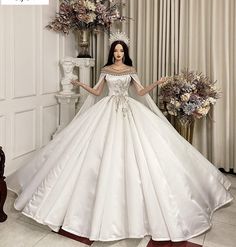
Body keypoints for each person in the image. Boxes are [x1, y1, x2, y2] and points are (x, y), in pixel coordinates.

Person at [6, 31, 233, 243]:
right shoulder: (106, 69)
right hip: (106, 110)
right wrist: (80, 84)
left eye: (121, 51)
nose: (118, 54)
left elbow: (141, 92)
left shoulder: (130, 70)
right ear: (112, 52)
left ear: (125, 52)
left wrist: (156, 83)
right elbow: (96, 92)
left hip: (129, 110)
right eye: (115, 50)